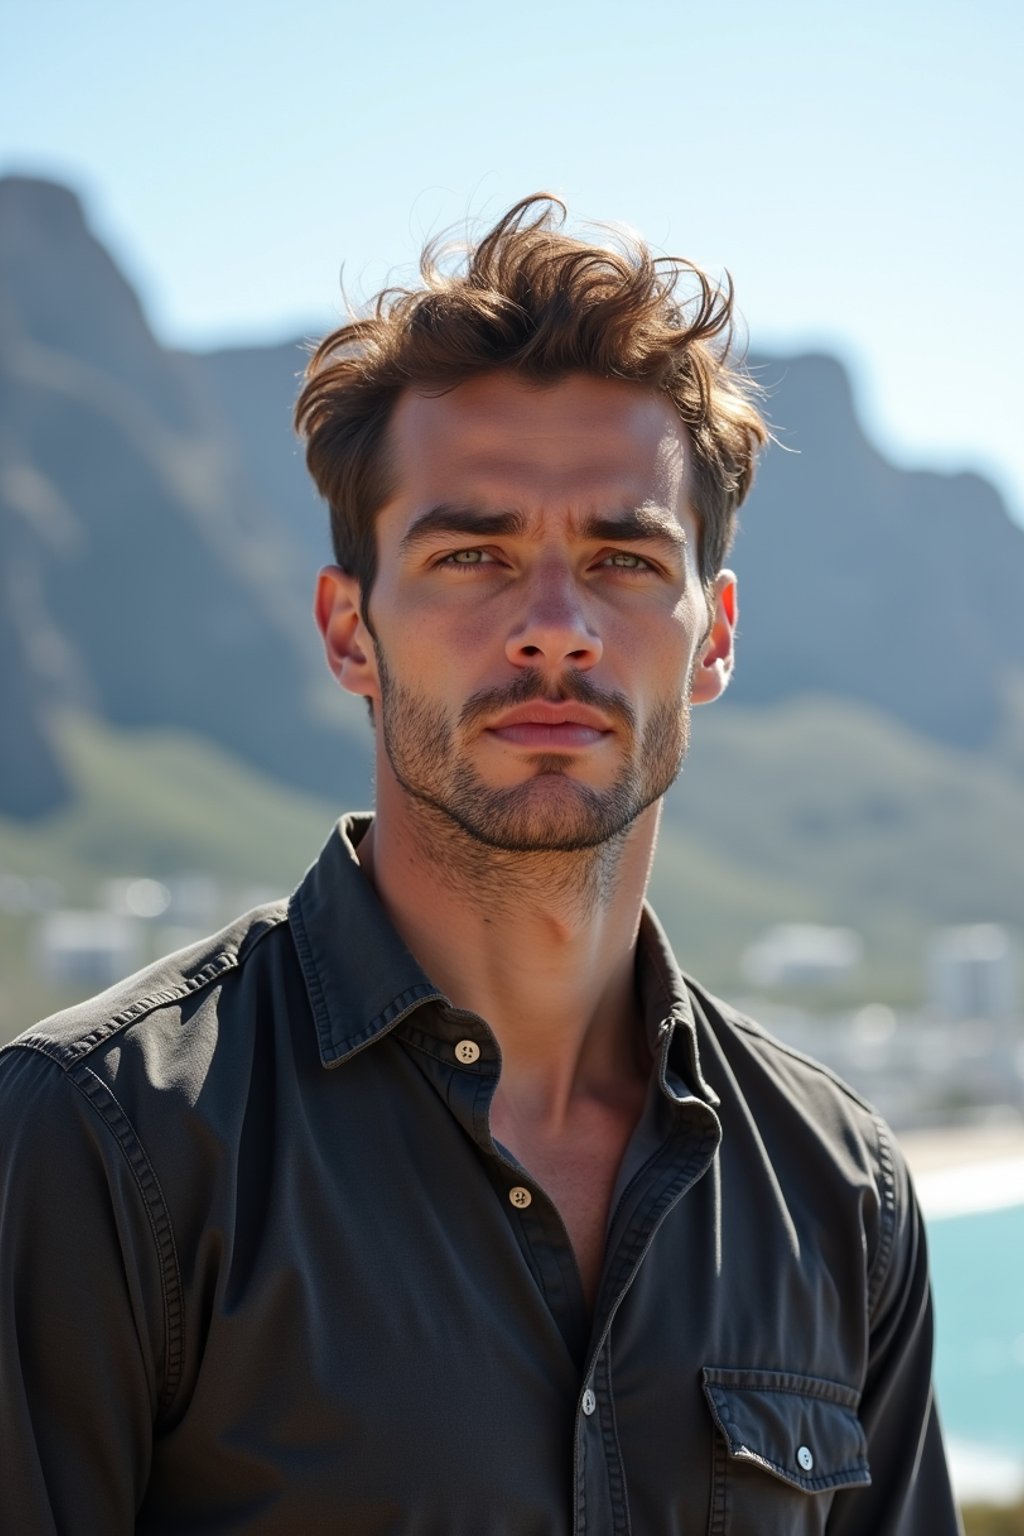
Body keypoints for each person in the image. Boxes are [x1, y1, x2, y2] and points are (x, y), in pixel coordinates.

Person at [0, 195, 961, 1535]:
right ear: (349, 630)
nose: (555, 629)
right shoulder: (98, 1143)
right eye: (472, 555)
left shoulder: (839, 1195)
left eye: (625, 559)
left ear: (715, 637)